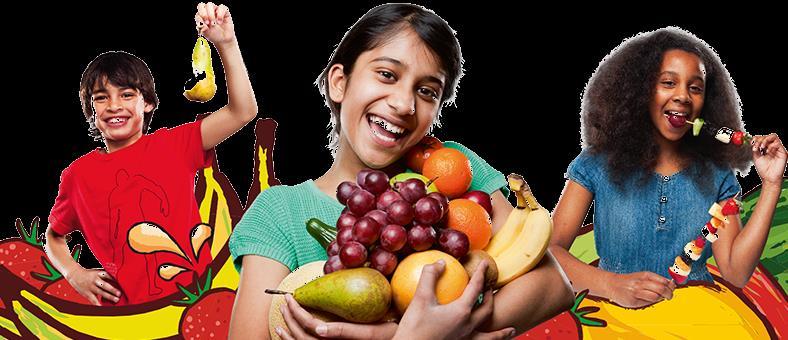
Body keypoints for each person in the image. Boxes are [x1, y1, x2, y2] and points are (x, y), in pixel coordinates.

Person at [229, 3, 573, 339]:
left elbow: (553, 286)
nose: (404, 104)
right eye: (387, 75)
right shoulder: (279, 212)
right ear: (339, 82)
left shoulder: (452, 170)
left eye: (426, 91)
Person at [550, 27, 787, 309]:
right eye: (668, 83)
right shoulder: (596, 164)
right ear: (641, 91)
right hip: (614, 319)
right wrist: (611, 285)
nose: (683, 96)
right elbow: (549, 251)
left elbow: (735, 273)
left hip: (696, 317)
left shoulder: (717, 175)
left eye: (695, 87)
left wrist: (772, 184)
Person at [44, 2, 257, 305]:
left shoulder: (175, 144)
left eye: (127, 95)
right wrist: (73, 272)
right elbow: (54, 236)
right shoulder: (77, 175)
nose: (114, 106)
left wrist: (226, 43)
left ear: (148, 103)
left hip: (201, 303)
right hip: (132, 319)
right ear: (91, 110)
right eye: (101, 98)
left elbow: (243, 111)